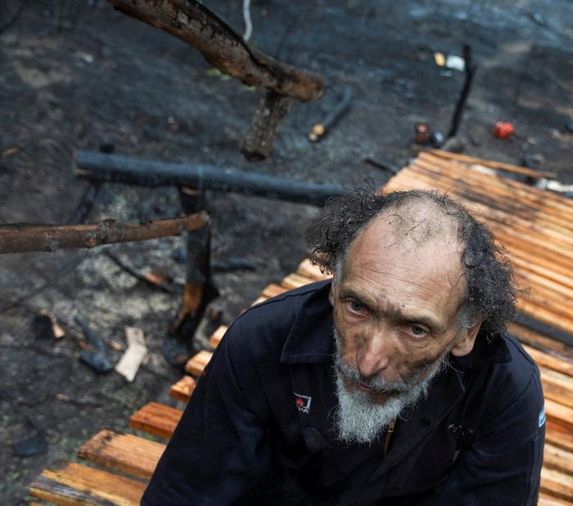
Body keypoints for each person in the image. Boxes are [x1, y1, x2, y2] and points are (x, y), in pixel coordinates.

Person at [142, 190, 546, 504]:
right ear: (334, 287)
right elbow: (186, 492)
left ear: (466, 332)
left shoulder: (506, 389)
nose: (368, 362)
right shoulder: (261, 341)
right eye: (357, 307)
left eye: (415, 329)